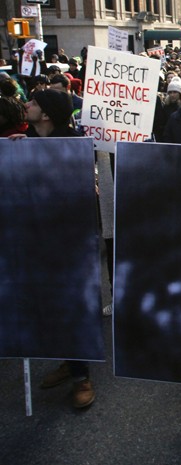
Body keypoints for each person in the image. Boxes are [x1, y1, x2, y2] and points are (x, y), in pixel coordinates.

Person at [9, 89, 96, 408]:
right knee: (44, 303)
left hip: (69, 241)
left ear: (46, 114)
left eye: (32, 103)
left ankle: (81, 375)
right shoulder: (24, 140)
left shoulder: (71, 144)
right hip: (34, 237)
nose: (26, 105)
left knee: (71, 305)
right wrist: (15, 152)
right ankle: (67, 361)